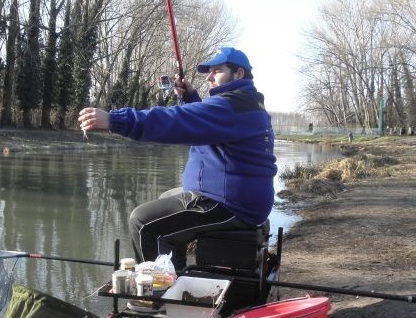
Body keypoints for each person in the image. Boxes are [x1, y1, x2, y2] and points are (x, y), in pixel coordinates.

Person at [78, 47, 277, 269]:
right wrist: (190, 98)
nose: (209, 77)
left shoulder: (231, 106)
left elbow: (176, 120)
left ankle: (157, 294)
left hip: (231, 205)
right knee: (167, 196)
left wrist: (115, 120)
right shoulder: (244, 104)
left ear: (239, 74)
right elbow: (203, 124)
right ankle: (175, 273)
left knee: (143, 222)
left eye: (217, 71)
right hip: (238, 199)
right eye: (208, 72)